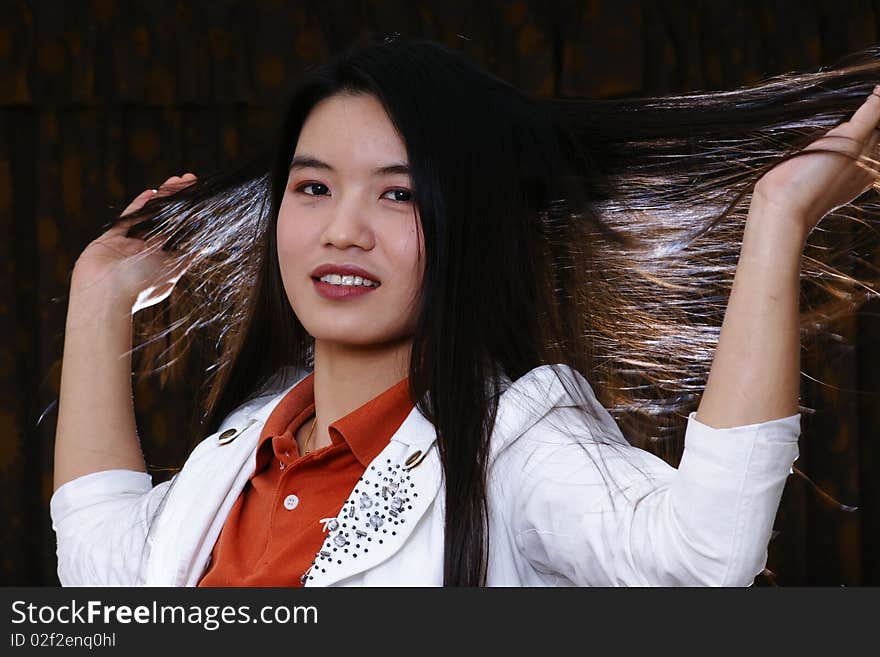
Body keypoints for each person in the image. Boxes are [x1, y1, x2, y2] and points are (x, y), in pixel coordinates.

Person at [50, 35, 880, 586]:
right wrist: (100, 294)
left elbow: (704, 554)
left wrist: (776, 219)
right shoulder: (243, 451)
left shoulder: (511, 442)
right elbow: (102, 569)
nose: (343, 230)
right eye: (313, 187)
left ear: (467, 224)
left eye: (399, 193)